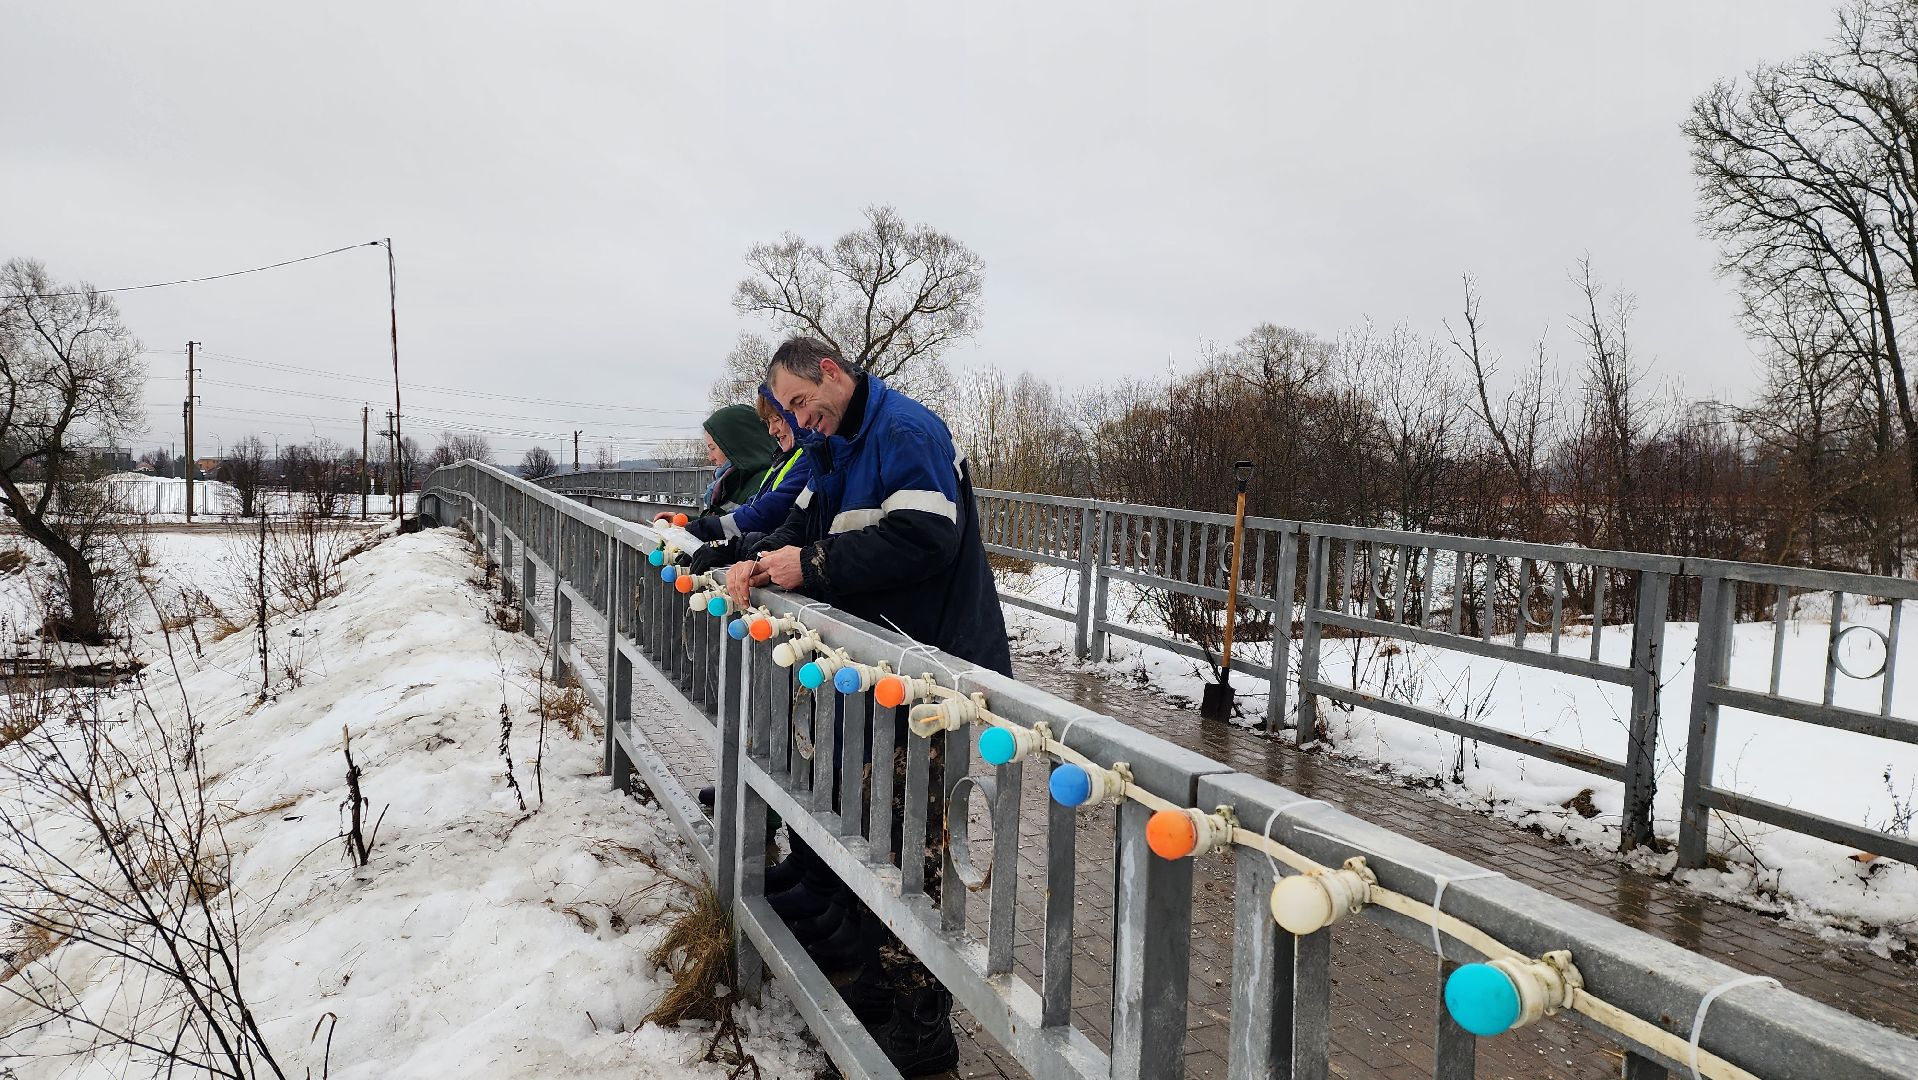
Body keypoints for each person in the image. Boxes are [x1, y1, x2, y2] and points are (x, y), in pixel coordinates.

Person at [725, 336, 1009, 1075]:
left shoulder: (904, 430)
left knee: (914, 838)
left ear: (829, 372)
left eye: (798, 401)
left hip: (931, 672)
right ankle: (879, 977)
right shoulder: (835, 445)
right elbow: (806, 524)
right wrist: (762, 558)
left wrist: (812, 566)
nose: (797, 418)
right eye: (789, 409)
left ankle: (923, 1021)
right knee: (870, 817)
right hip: (881, 664)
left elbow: (928, 538)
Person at [683, 389, 812, 568]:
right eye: (768, 422)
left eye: (777, 419)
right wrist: (692, 523)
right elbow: (752, 507)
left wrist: (709, 532)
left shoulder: (805, 459)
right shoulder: (782, 461)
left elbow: (766, 514)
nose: (771, 430)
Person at [695, 404, 778, 517]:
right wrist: (684, 521)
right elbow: (719, 523)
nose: (710, 457)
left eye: (712, 448)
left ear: (733, 446)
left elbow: (729, 528)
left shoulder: (759, 486)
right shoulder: (731, 482)